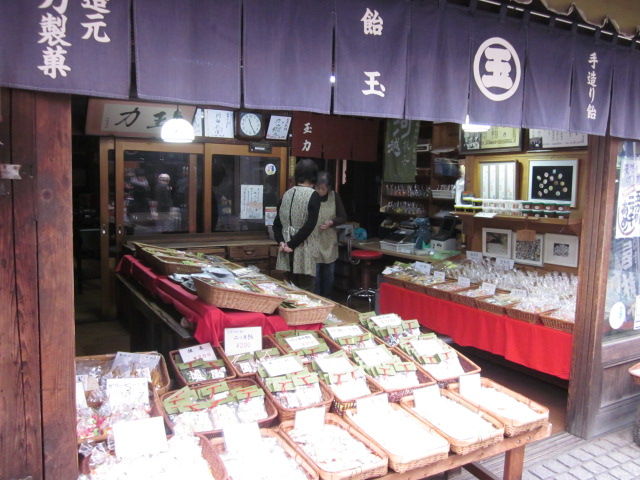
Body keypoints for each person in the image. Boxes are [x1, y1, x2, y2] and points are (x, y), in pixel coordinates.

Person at [273, 159, 321, 291]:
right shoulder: (313, 195)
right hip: (303, 250)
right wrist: (292, 244)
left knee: (289, 288)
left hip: (285, 250)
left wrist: (282, 242)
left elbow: (277, 224)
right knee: (306, 290)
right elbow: (309, 225)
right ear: (314, 176)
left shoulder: (286, 194)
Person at [313, 171, 347, 299]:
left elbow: (343, 217)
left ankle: (327, 300)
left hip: (329, 242)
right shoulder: (310, 197)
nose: (319, 191)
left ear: (329, 188)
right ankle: (316, 302)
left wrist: (332, 222)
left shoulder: (334, 197)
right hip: (314, 241)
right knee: (315, 277)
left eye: (323, 188)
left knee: (329, 275)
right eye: (317, 187)